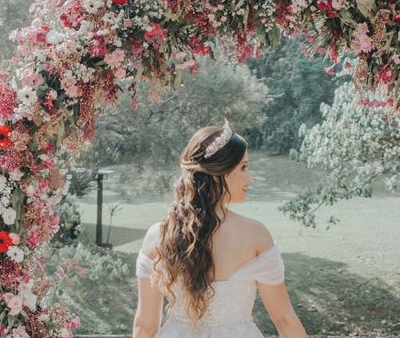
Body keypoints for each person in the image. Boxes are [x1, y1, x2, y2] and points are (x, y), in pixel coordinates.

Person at [132, 119, 308, 337]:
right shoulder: (255, 235)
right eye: (243, 167)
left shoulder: (157, 236)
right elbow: (283, 318)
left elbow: (145, 325)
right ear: (218, 175)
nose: (249, 178)